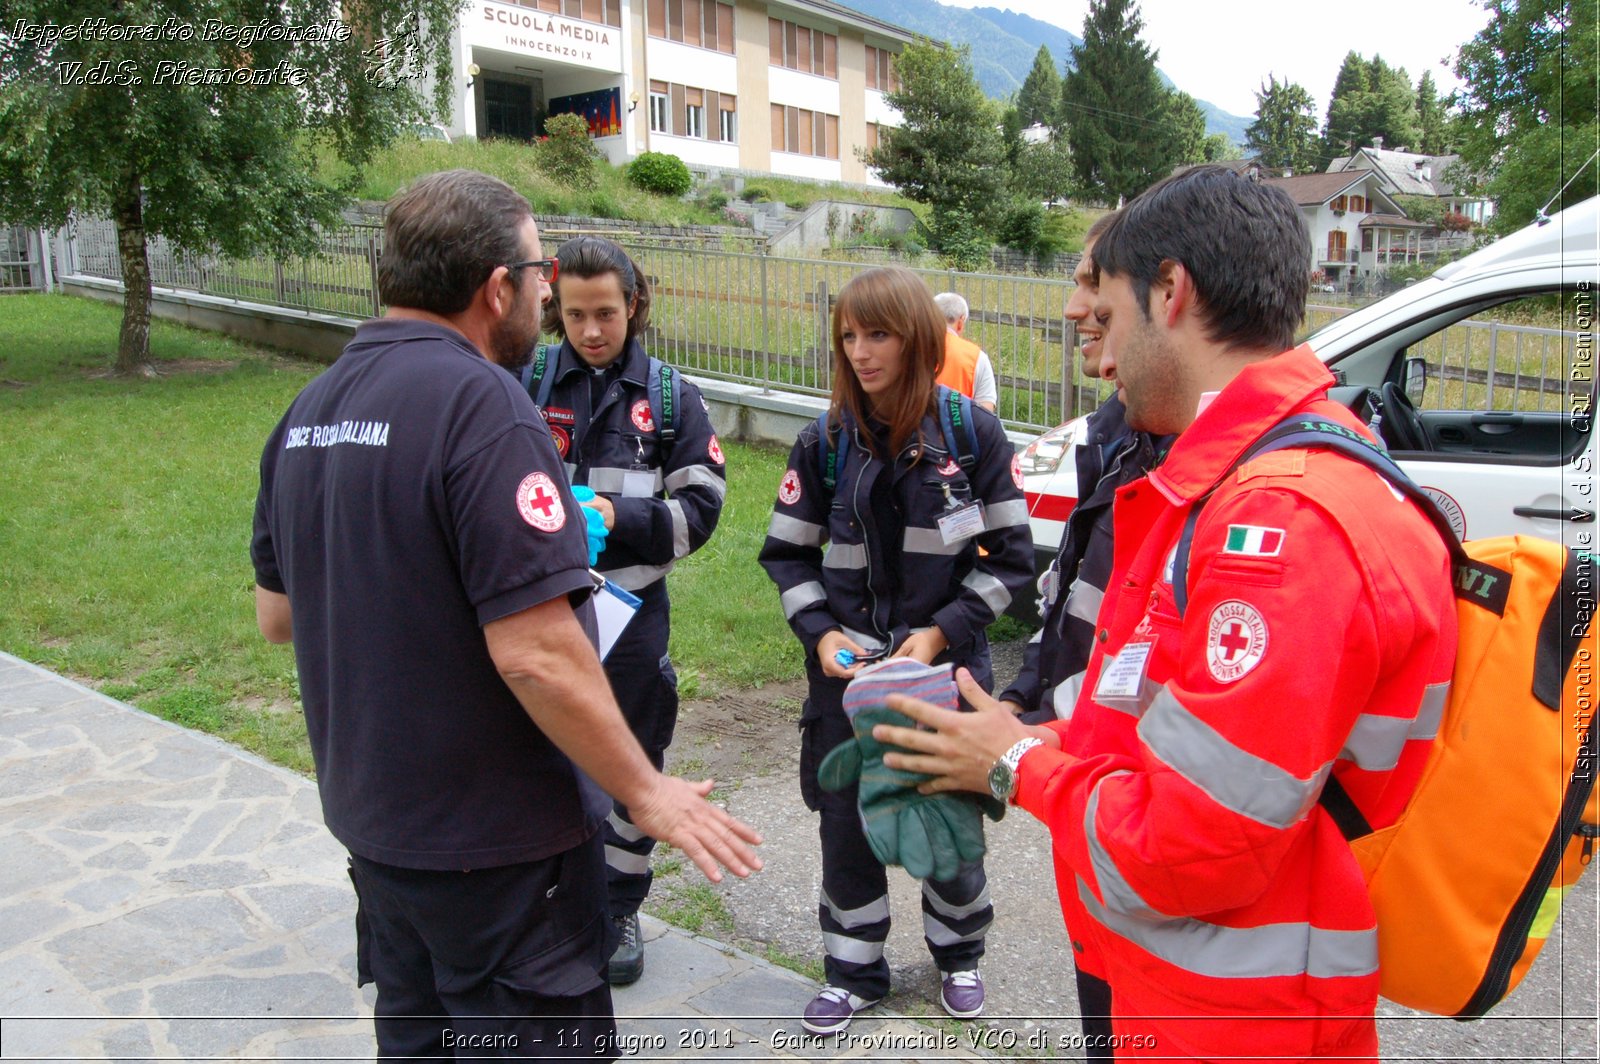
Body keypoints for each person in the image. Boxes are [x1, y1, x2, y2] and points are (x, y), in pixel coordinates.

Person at [872, 166, 1457, 1062]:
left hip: (1230, 1016)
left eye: (1106, 315)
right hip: (1188, 987)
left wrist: (1018, 762)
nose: (1100, 357)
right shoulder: (1243, 481)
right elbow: (1152, 718)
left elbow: (1189, 847)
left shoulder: (1278, 525)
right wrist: (1012, 737)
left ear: (1171, 291)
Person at [250, 170, 761, 1060]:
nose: (547, 292)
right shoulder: (485, 404)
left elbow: (278, 616)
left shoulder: (309, 409)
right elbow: (536, 652)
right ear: (499, 288)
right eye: (540, 272)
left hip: (377, 830)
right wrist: (649, 793)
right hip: (498, 854)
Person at [758, 266, 1034, 1035]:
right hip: (845, 690)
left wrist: (940, 631)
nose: (860, 351)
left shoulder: (972, 434)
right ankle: (852, 970)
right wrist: (823, 636)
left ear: (918, 338)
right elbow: (785, 557)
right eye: (848, 335)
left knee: (949, 818)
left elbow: (1013, 562)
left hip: (943, 679)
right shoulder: (824, 440)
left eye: (877, 334)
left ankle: (959, 955)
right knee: (845, 824)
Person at [526, 235, 726, 987]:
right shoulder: (527, 379)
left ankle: (616, 907)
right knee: (540, 755)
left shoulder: (671, 398)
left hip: (632, 618)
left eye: (605, 312)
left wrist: (615, 512)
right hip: (544, 615)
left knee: (633, 764)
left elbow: (702, 510)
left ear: (634, 304)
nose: (591, 330)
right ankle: (548, 900)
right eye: (574, 314)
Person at [994, 210, 1163, 1061]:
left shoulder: (1217, 478)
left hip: (1133, 829)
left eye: (1093, 281)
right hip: (1092, 808)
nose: (1072, 307)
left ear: (1167, 288)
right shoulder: (1121, 435)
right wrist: (1021, 705)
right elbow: (1079, 615)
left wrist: (1021, 755)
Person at [931, 292, 999, 411]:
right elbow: (986, 409)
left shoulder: (910, 348)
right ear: (960, 323)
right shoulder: (977, 357)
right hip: (955, 428)